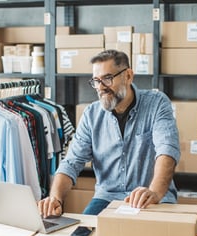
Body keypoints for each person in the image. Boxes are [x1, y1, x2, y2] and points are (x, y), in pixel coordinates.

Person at [38, 49, 180, 217]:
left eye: (107, 78)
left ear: (128, 76)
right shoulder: (91, 114)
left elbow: (167, 150)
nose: (101, 88)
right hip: (107, 199)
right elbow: (71, 162)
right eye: (96, 81)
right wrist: (55, 198)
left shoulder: (157, 103)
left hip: (151, 198)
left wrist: (155, 192)